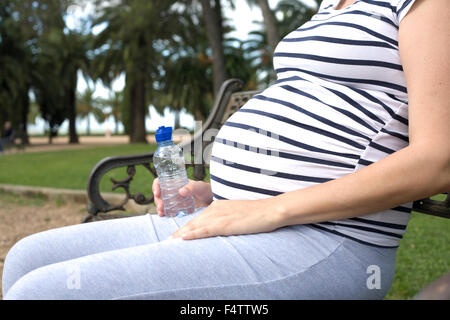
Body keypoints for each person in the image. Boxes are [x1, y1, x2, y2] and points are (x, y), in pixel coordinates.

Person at [2, 0, 449, 300]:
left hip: (327, 240)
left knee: (41, 293)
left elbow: (439, 158)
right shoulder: (331, 6)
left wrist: (269, 210)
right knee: (26, 258)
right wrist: (217, 196)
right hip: (241, 220)